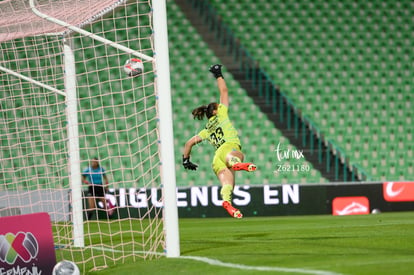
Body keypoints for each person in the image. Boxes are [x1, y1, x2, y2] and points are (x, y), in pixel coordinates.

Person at [182, 64, 256, 219]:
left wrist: (186, 161)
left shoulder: (206, 130)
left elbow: (188, 143)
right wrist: (218, 74)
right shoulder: (221, 114)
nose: (220, 104)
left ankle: (227, 202)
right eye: (218, 105)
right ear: (215, 111)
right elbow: (224, 91)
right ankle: (236, 163)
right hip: (227, 149)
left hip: (217, 159)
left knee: (228, 186)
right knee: (236, 157)